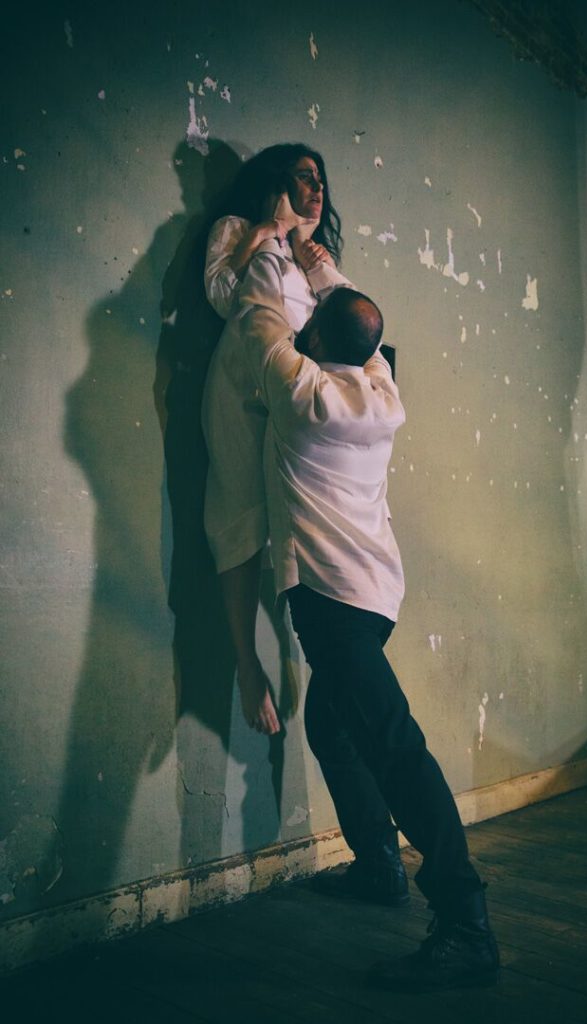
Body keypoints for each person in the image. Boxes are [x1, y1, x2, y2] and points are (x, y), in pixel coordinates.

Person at [237, 281, 500, 990]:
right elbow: (363, 338)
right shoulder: (384, 393)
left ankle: (466, 924)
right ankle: (380, 866)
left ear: (318, 338)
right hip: (378, 596)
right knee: (332, 724)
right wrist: (325, 274)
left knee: (394, 748)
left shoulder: (301, 391)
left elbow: (259, 313)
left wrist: (279, 249)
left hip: (330, 600)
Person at [202, 144, 352, 735]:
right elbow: (222, 297)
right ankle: (247, 663)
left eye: (322, 180)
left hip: (294, 394)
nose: (318, 188)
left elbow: (343, 330)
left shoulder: (312, 255)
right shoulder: (236, 229)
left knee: (308, 522)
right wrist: (261, 236)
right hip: (242, 388)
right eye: (306, 177)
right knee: (240, 517)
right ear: (279, 180)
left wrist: (316, 263)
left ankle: (331, 664)